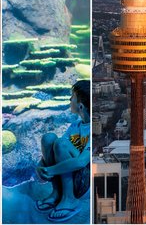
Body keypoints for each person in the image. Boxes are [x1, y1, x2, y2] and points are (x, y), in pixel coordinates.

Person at [35, 80, 90, 222]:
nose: (70, 99)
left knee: (61, 144)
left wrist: (51, 170)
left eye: (72, 97)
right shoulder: (75, 126)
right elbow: (56, 151)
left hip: (84, 181)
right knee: (49, 138)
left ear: (81, 106)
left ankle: (70, 199)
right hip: (68, 175)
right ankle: (57, 193)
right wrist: (42, 166)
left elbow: (82, 161)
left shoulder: (94, 129)